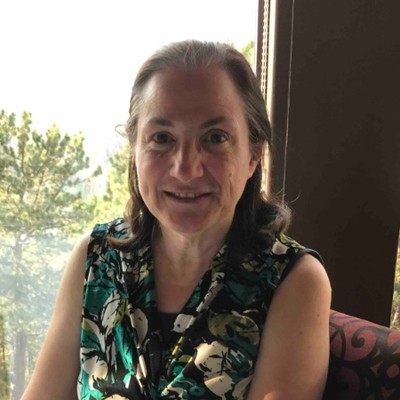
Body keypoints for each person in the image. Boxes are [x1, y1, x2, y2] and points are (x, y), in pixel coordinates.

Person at [22, 40, 331, 400]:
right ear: (134, 149)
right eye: (162, 138)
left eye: (215, 138)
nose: (185, 169)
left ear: (253, 156)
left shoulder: (293, 280)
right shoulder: (95, 259)